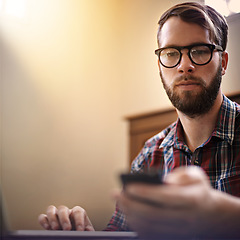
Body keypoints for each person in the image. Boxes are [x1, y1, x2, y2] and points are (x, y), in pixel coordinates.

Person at [38, 2, 240, 239]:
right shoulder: (148, 156)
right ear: (160, 65)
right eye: (171, 54)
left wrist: (224, 214)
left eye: (200, 51)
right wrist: (83, 235)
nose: (185, 65)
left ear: (223, 63)